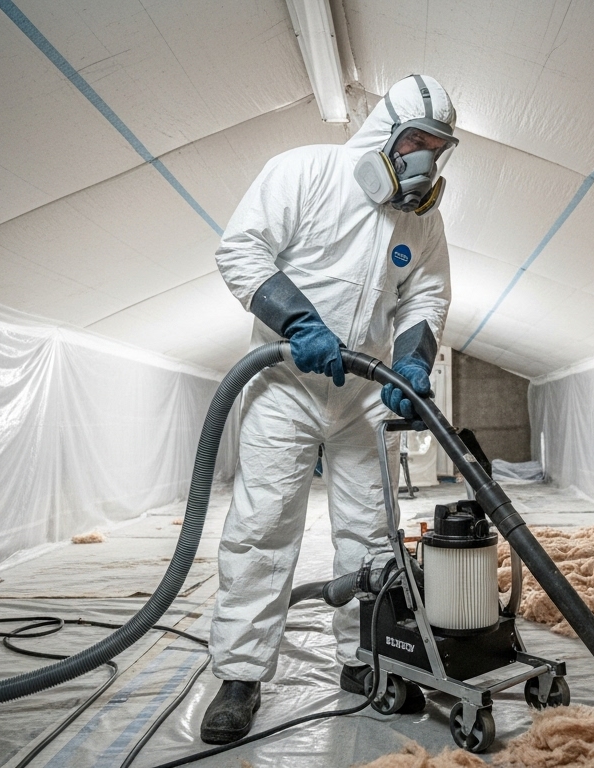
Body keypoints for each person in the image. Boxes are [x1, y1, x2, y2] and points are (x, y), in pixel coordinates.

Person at [201, 75, 458, 744]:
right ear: (384, 136)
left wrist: (411, 362)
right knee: (263, 525)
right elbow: (241, 249)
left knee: (372, 534)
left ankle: (363, 656)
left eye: (438, 147)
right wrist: (295, 321)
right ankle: (240, 674)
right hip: (283, 383)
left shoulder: (421, 220)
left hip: (364, 394)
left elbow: (425, 297)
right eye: (414, 143)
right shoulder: (304, 173)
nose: (423, 160)